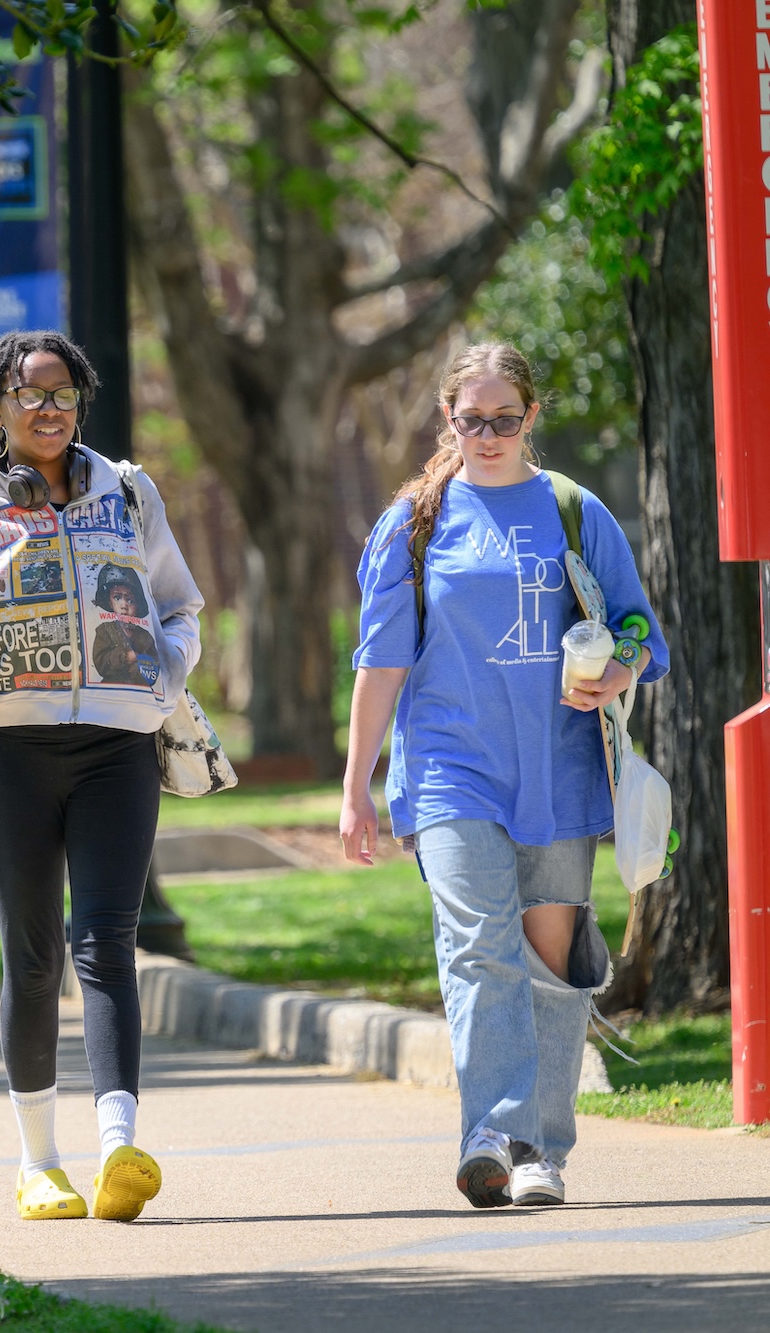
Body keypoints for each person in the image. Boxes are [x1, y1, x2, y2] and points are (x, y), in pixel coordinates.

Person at [341, 342, 668, 1209]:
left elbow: (638, 625)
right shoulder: (413, 519)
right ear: (447, 419)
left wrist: (619, 668)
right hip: (451, 768)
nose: (487, 434)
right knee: (480, 941)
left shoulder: (571, 508)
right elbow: (380, 663)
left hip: (559, 765)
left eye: (504, 418)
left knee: (551, 960)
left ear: (530, 416)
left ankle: (541, 1151)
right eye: (470, 419)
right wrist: (356, 786)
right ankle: (492, 1130)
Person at [0, 330, 204, 1223]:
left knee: (107, 945)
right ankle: (39, 1163)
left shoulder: (128, 492)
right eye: (29, 394)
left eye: (64, 393)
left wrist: (161, 680)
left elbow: (179, 604)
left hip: (118, 747)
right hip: (12, 755)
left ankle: (120, 1149)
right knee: (31, 962)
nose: (49, 409)